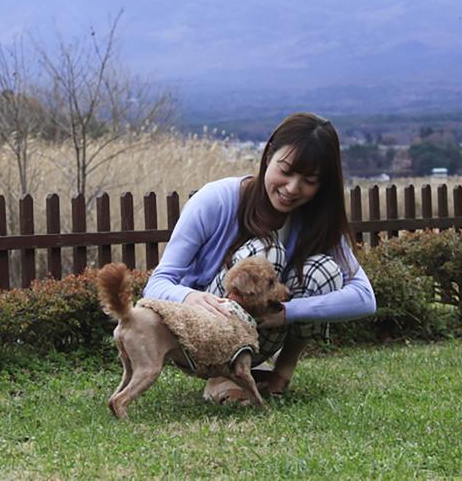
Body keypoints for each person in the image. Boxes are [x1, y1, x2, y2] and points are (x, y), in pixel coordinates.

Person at [142, 112, 376, 400]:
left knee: (324, 270)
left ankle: (277, 373)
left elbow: (365, 298)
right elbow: (156, 284)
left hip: (264, 332)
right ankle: (221, 374)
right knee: (267, 251)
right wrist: (191, 297)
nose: (292, 188)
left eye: (309, 180)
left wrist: (288, 313)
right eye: (286, 171)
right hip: (202, 332)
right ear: (268, 157)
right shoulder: (216, 199)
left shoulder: (316, 221)